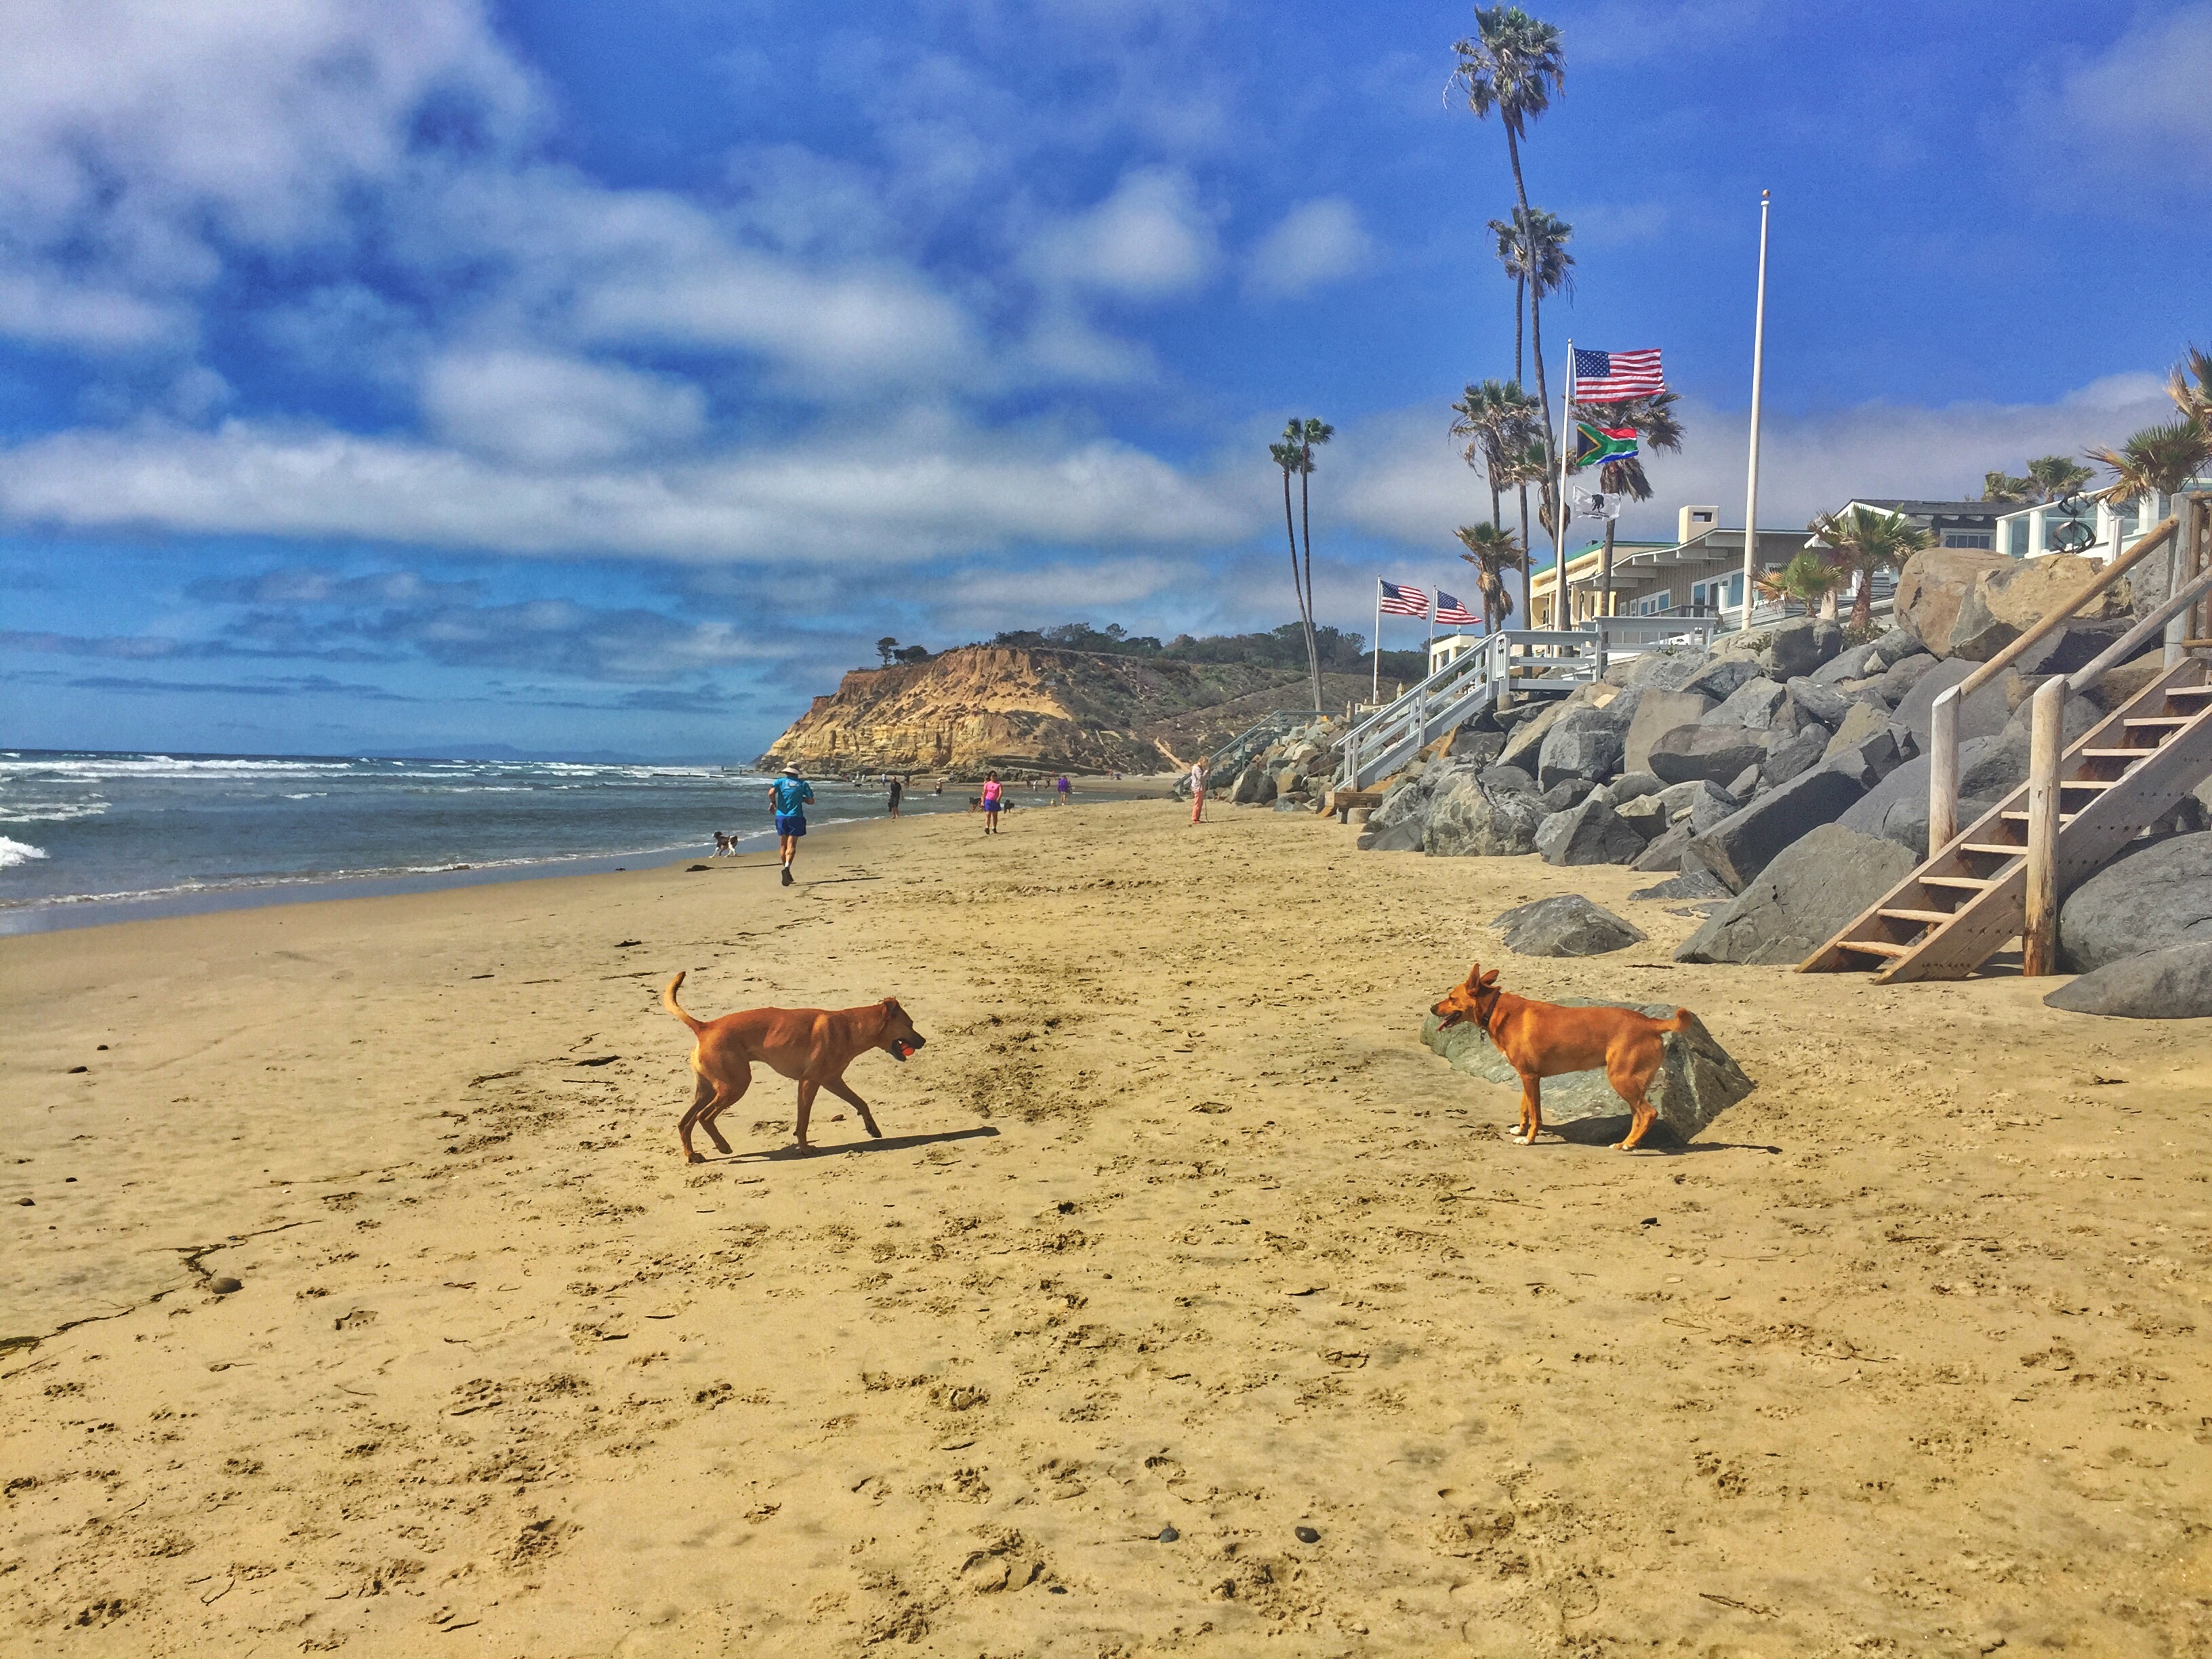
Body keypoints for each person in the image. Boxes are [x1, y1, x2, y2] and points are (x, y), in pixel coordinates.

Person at [769, 765, 814, 885]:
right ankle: (787, 868)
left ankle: (786, 869)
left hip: (781, 816)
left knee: (783, 844)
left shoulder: (779, 782)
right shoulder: (803, 784)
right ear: (797, 773)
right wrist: (802, 799)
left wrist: (773, 803)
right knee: (792, 844)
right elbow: (811, 802)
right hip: (796, 816)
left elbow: (771, 793)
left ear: (787, 772)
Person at [981, 770, 1003, 835]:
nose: (994, 777)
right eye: (993, 776)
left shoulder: (999, 784)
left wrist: (999, 798)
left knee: (995, 815)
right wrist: (982, 801)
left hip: (995, 801)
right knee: (988, 814)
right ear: (990, 777)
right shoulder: (987, 784)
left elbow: (1001, 792)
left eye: (995, 776)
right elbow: (984, 793)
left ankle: (994, 827)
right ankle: (987, 827)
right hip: (988, 800)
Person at [1189, 757, 1208, 825]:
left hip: (1199, 787)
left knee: (1199, 803)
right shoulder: (1197, 768)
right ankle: (1195, 818)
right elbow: (1200, 778)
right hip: (1198, 788)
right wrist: (1206, 772)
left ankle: (1197, 818)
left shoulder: (1197, 768)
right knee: (1197, 803)